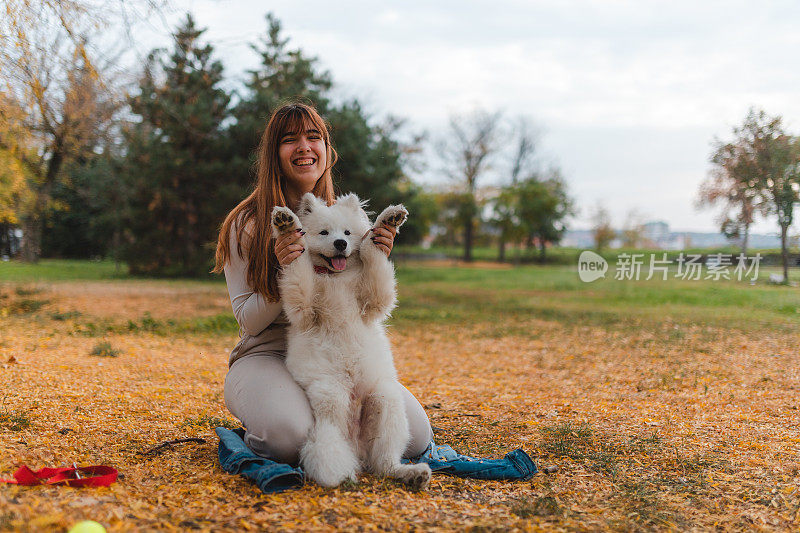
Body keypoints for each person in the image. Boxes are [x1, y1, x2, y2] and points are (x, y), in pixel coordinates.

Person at [213, 102, 433, 464]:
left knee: (414, 439)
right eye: (290, 139)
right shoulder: (246, 222)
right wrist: (288, 267)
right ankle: (274, 418)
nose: (304, 147)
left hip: (339, 352)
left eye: (314, 137)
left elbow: (370, 303)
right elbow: (248, 322)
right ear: (273, 153)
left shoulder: (349, 217)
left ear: (326, 150)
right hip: (268, 354)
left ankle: (324, 428)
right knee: (290, 440)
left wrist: (377, 257)